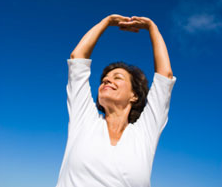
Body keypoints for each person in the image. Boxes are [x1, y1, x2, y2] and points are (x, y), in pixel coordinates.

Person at [55, 14, 176, 187]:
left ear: (134, 95)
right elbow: (78, 57)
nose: (107, 80)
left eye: (117, 77)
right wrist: (106, 22)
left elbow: (165, 76)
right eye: (104, 78)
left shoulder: (144, 133)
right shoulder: (84, 120)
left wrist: (152, 27)